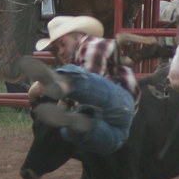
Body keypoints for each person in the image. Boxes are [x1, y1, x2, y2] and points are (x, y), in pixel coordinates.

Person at [17, 15, 136, 155]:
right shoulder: (88, 51)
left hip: (120, 109)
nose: (60, 52)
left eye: (63, 44)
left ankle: (61, 84)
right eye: (56, 48)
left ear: (78, 37)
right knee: (70, 131)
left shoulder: (92, 47)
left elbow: (90, 87)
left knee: (74, 77)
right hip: (113, 119)